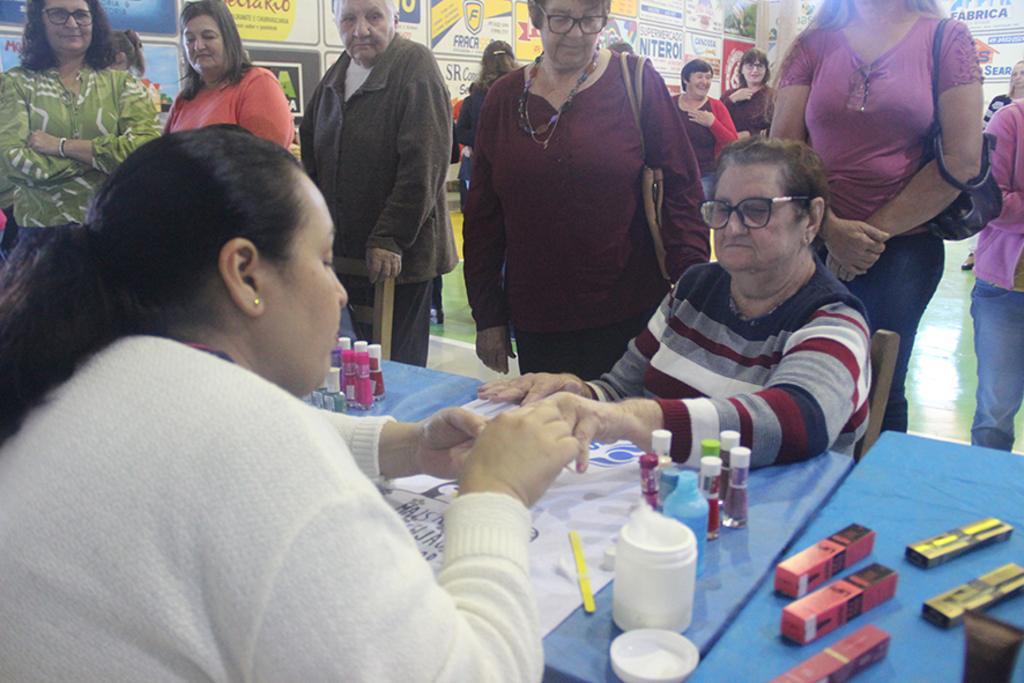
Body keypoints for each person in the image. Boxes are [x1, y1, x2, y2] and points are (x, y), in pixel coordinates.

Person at [0, 126, 590, 681]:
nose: (338, 292)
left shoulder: (83, 367)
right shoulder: (253, 446)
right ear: (246, 275)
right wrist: (497, 494)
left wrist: (405, 445)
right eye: (326, 259)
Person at [476, 138, 871, 468]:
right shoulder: (694, 288)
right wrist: (578, 393)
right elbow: (618, 389)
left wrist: (634, 419)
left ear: (811, 220)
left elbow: (800, 422)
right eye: (722, 209)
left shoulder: (833, 319)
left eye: (756, 211)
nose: (732, 228)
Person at [463, 0, 710, 379]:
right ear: (535, 17)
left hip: (631, 313)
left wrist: (690, 295)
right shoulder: (502, 97)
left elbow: (682, 191)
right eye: (561, 19)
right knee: (552, 432)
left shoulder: (638, 81)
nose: (577, 34)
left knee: (624, 433)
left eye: (590, 19)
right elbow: (483, 216)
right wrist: (488, 315)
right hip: (537, 319)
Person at [771, 0, 983, 434]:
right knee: (797, 377)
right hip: (812, 241)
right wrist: (829, 230)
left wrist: (863, 239)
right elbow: (782, 150)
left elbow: (963, 160)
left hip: (902, 247)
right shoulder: (813, 43)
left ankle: (870, 498)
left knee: (877, 389)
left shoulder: (945, 38)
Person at [301, 0, 457, 367]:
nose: (361, 29)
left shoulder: (415, 66)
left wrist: (390, 237)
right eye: (349, 19)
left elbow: (425, 164)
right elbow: (311, 157)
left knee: (397, 373)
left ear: (394, 20)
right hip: (345, 256)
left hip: (400, 260)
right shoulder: (335, 76)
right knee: (353, 373)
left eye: (373, 16)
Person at [0, 0, 160, 232]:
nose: (72, 23)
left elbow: (146, 151)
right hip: (40, 231)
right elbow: (11, 161)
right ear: (39, 21)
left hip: (110, 225)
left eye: (81, 15)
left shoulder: (123, 84)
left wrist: (61, 146)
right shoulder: (14, 83)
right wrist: (90, 161)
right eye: (59, 14)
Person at [969, 100, 1024, 451]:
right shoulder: (1011, 120)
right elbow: (990, 202)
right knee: (995, 413)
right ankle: (984, 500)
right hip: (1006, 293)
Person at [164, 0, 294, 149]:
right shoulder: (182, 100)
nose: (198, 46)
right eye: (190, 39)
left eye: (208, 36)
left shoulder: (257, 83)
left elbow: (265, 163)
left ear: (229, 39)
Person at [963, 60, 1024, 271]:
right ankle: (972, 254)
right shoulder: (1007, 115)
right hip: (1008, 276)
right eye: (1016, 73)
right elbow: (995, 203)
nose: (1018, 77)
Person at [675, 58, 739, 198]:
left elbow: (734, 145)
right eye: (699, 76)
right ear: (686, 79)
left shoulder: (716, 107)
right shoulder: (670, 104)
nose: (704, 81)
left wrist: (712, 123)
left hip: (705, 175)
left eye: (708, 77)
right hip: (674, 174)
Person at [723, 47, 775, 139]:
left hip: (761, 150)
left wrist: (749, 134)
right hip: (732, 150)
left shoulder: (773, 96)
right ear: (741, 69)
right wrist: (732, 100)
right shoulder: (729, 95)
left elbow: (778, 128)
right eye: (749, 66)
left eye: (759, 66)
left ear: (766, 70)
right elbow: (717, 122)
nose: (755, 70)